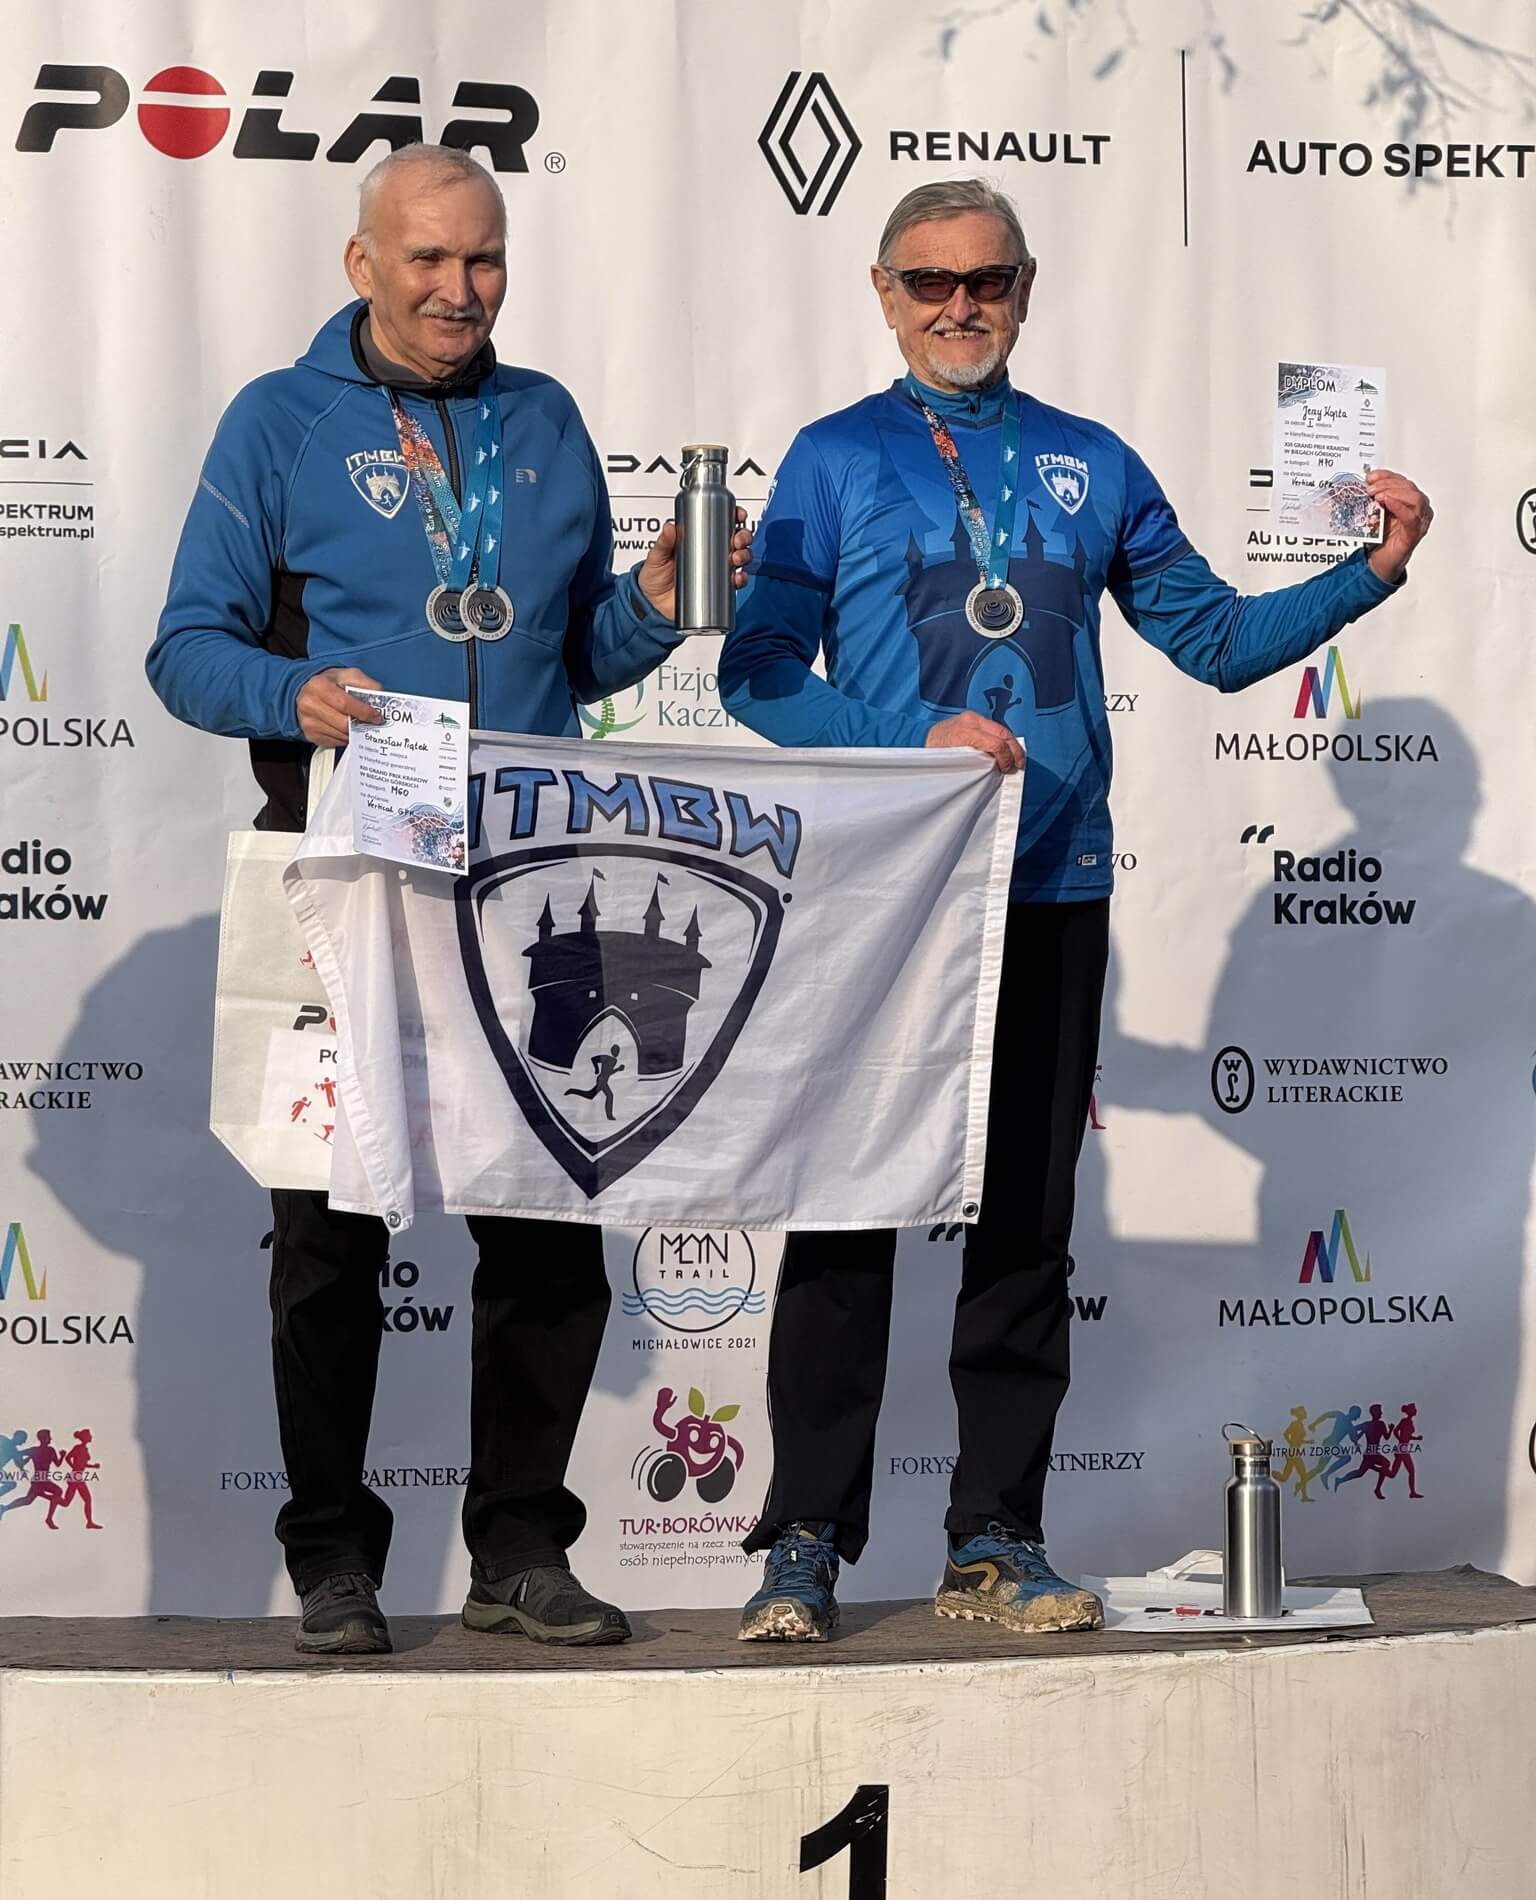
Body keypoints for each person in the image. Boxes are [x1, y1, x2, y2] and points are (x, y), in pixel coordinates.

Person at [718, 177, 1432, 1642]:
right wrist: (907, 740)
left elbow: (1217, 641)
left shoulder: (1092, 460)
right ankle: (803, 1544)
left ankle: (996, 1537)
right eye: (930, 282)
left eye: (985, 280)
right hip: (884, 890)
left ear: (1025, 290)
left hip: (1051, 885)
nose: (959, 306)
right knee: (848, 1223)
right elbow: (759, 673)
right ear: (883, 294)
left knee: (1025, 1232)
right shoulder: (833, 457)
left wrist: (1369, 571)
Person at [147, 144, 751, 1655]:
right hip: (343, 869)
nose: (456, 289)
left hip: (528, 882)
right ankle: (331, 1555)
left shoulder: (544, 417)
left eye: (481, 259)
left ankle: (521, 1549)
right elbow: (185, 649)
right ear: (362, 264)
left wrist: (653, 604)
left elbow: (576, 655)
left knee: (546, 1222)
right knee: (328, 1236)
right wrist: (295, 694)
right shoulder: (278, 421)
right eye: (425, 258)